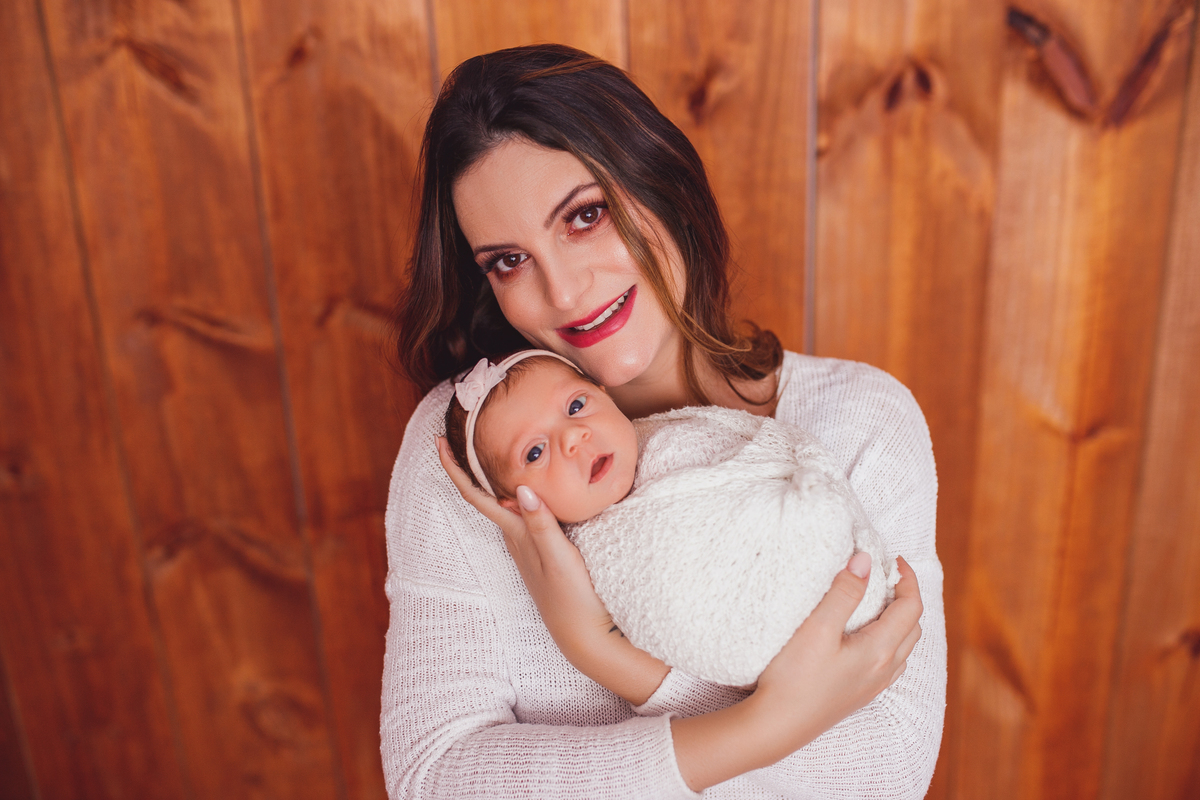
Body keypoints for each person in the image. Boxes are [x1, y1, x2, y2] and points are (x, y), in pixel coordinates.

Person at [384, 43, 945, 798]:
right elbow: (433, 779)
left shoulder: (861, 425)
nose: (565, 290)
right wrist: (764, 727)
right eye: (508, 261)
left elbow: (881, 777)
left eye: (585, 216)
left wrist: (613, 656)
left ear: (661, 181)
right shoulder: (471, 454)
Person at [442, 348, 899, 687]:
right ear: (518, 505)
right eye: (536, 452)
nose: (574, 438)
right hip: (766, 622)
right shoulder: (596, 561)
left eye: (576, 406)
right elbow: (680, 611)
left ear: (604, 393)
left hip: (833, 569)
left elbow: (766, 450)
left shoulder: (671, 438)